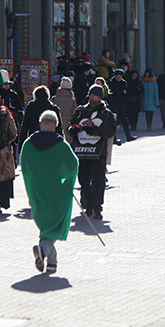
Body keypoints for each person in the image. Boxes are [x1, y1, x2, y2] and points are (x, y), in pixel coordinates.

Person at [22, 110, 79, 274]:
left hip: (37, 188)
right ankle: (44, 249)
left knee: (45, 224)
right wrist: (65, 179)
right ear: (55, 125)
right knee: (55, 223)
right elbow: (73, 165)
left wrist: (31, 183)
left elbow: (24, 166)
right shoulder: (61, 144)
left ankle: (52, 262)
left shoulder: (28, 143)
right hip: (56, 188)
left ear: (40, 124)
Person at [69, 84, 117, 219]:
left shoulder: (105, 113)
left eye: (95, 94)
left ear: (100, 97)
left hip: (99, 152)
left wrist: (95, 131)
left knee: (98, 180)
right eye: (91, 94)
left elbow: (111, 131)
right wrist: (73, 129)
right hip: (82, 151)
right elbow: (71, 125)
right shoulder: (81, 110)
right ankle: (88, 202)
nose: (92, 97)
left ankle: (97, 207)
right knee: (83, 178)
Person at [108, 69, 137, 142]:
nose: (118, 78)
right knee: (113, 121)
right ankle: (113, 138)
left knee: (124, 120)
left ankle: (128, 136)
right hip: (112, 104)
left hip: (121, 104)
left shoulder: (124, 83)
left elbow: (126, 93)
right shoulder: (110, 83)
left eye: (120, 76)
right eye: (117, 76)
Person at [52, 77, 78, 145]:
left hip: (55, 125)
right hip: (68, 126)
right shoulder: (72, 100)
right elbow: (75, 114)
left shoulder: (54, 99)